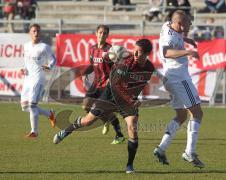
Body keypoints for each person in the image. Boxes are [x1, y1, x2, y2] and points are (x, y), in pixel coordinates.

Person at [53, 39, 155, 173]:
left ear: (147, 53)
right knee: (87, 121)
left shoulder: (149, 68)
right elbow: (116, 85)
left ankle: (129, 166)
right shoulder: (126, 62)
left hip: (127, 101)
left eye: (139, 51)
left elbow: (138, 86)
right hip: (110, 95)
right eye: (134, 49)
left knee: (132, 127)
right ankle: (67, 130)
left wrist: (134, 99)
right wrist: (131, 98)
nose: (135, 53)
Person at [154, 10, 204, 168]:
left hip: (169, 78)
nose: (190, 25)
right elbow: (167, 52)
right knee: (197, 112)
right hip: (179, 78)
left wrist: (186, 38)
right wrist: (188, 51)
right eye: (188, 23)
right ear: (180, 24)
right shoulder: (170, 36)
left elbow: (175, 35)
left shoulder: (168, 25)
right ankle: (190, 151)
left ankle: (161, 148)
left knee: (181, 115)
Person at [81, 25, 125, 144]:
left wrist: (114, 80)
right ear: (96, 33)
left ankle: (119, 134)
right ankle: (105, 119)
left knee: (104, 110)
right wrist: (85, 74)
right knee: (85, 106)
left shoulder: (111, 50)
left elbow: (118, 66)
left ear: (107, 35)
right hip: (95, 84)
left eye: (105, 33)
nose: (102, 35)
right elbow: (92, 65)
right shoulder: (92, 49)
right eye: (100, 32)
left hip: (107, 85)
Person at [20, 23, 56, 138]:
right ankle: (49, 114)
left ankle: (34, 132)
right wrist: (23, 68)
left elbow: (53, 59)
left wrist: (49, 66)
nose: (36, 33)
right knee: (25, 106)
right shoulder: (25, 46)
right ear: (30, 33)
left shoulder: (44, 47)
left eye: (38, 31)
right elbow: (26, 61)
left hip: (38, 78)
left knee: (32, 106)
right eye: (34, 31)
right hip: (27, 79)